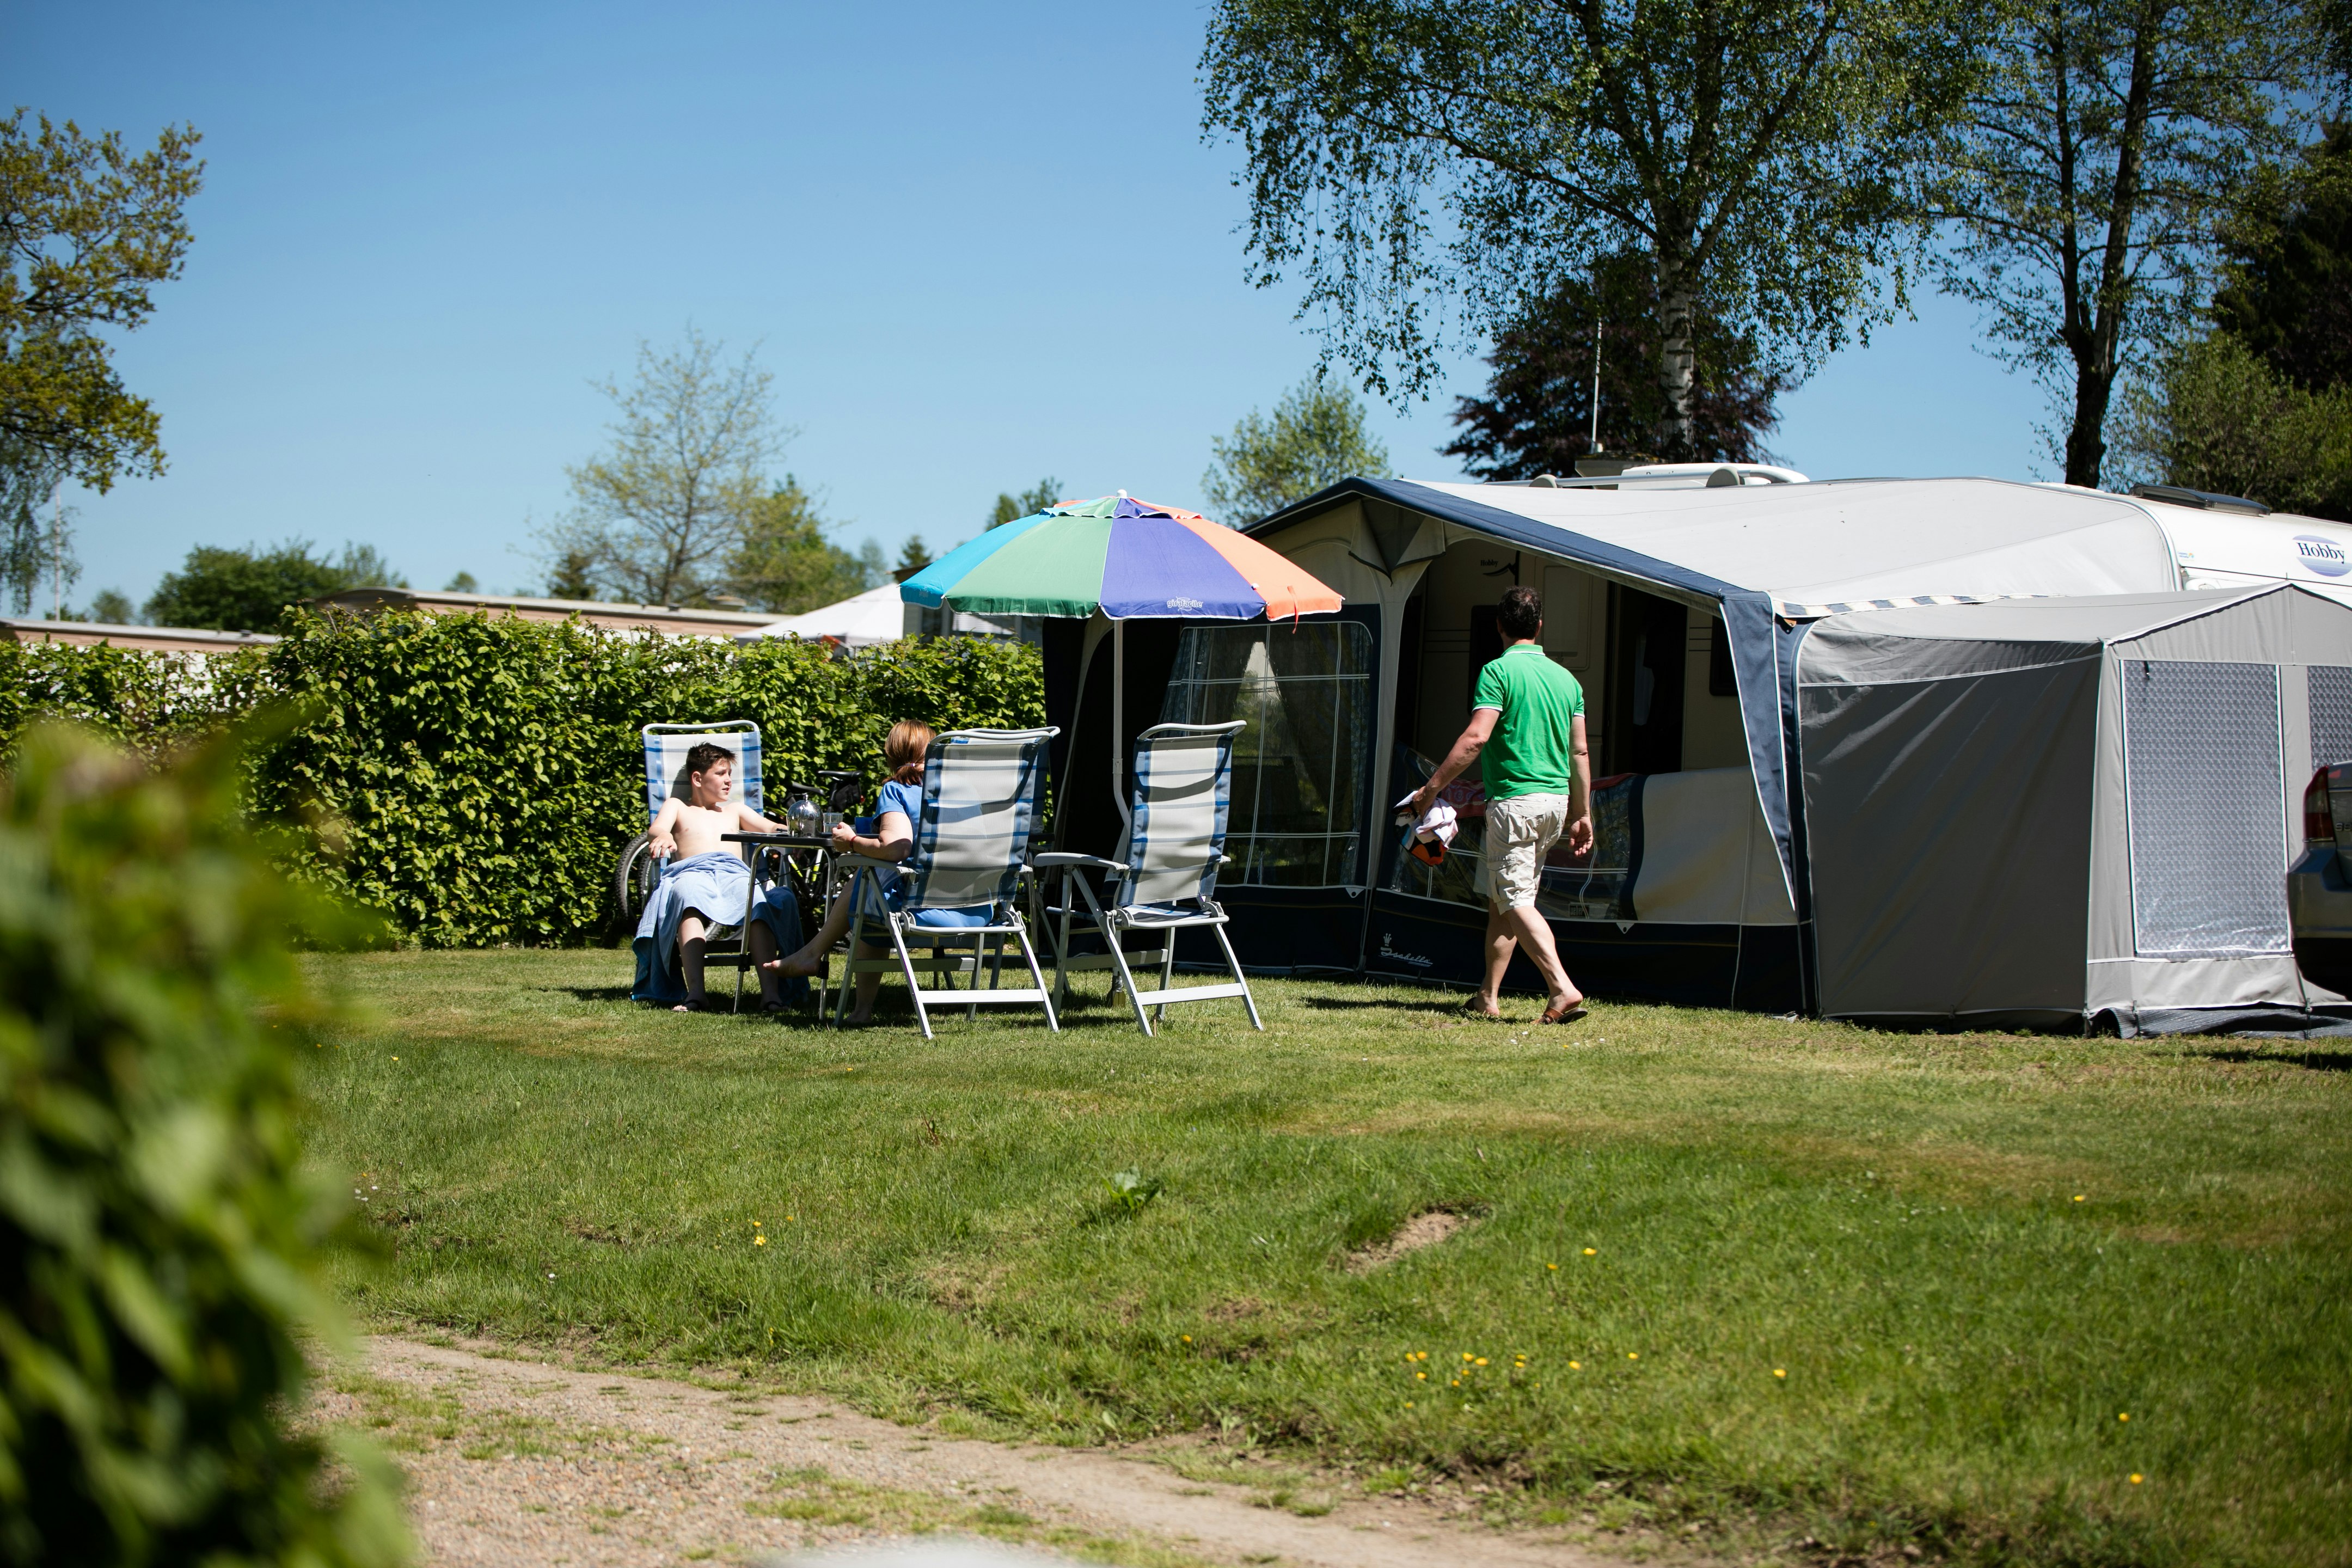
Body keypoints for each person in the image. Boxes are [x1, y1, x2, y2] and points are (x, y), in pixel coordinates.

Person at [1408, 584, 1592, 1023]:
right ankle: (1487, 997)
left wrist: (1431, 788)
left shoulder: (1497, 672)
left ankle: (1562, 988)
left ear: (1499, 626)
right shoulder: (1567, 680)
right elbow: (1580, 752)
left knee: (1514, 899)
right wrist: (1584, 813)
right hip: (1556, 804)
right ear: (1540, 626)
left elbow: (1476, 738)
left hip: (1515, 804)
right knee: (1502, 899)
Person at [767, 719, 991, 1026]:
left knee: (866, 886)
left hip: (925, 909)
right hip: (978, 908)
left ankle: (850, 996)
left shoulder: (897, 790)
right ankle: (813, 956)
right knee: (870, 884)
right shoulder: (966, 792)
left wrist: (854, 842)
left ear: (892, 754)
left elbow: (896, 848)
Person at [630, 741, 807, 1014]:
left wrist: (787, 831)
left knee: (758, 906)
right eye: (721, 774)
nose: (728, 782)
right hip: (692, 872)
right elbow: (658, 829)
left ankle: (771, 996)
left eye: (730, 775)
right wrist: (663, 835)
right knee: (688, 900)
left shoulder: (735, 810)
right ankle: (696, 995)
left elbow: (768, 827)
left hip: (732, 873)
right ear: (698, 778)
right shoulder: (678, 806)